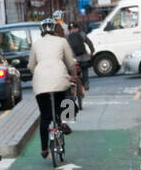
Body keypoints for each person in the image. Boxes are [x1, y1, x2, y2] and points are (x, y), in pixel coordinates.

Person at [27, 18, 79, 159]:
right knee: (67, 101)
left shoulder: (36, 44)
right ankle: (64, 122)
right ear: (54, 30)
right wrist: (73, 75)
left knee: (45, 117)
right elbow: (70, 62)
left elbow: (31, 66)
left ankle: (44, 149)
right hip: (60, 79)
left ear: (42, 31)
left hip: (40, 82)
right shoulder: (61, 41)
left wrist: (38, 76)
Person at [67, 22, 94, 89]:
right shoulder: (82, 34)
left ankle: (73, 85)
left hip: (74, 58)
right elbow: (89, 43)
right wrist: (92, 51)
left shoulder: (67, 37)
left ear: (69, 29)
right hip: (84, 57)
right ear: (77, 28)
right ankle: (86, 84)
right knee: (85, 70)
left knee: (73, 72)